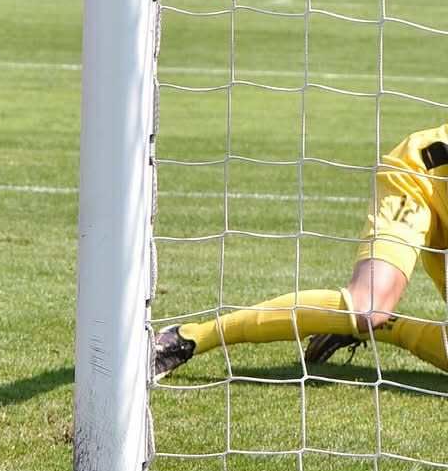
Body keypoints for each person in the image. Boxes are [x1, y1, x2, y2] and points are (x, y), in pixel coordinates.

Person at [155, 123, 448, 379]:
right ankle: (189, 337)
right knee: (368, 305)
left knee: (370, 317)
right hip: (427, 176)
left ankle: (366, 325)